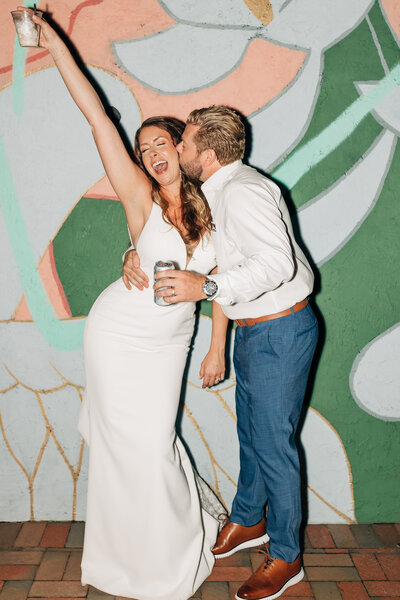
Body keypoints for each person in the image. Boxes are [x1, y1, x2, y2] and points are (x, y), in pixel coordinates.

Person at [31, 12, 229, 600]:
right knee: (124, 449)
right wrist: (57, 45)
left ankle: (169, 546)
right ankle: (125, 559)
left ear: (181, 147)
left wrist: (218, 344)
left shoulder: (220, 203)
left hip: (169, 342)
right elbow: (97, 119)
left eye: (159, 144)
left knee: (151, 444)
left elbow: (228, 280)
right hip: (117, 332)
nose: (149, 154)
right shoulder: (140, 199)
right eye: (142, 149)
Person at [125, 105, 319, 600]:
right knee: (252, 434)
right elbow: (206, 252)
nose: (177, 148)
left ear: (206, 155)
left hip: (280, 330)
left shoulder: (245, 192)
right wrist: (136, 254)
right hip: (257, 330)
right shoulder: (218, 192)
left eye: (183, 143)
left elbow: (276, 263)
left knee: (274, 445)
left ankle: (287, 556)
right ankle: (248, 520)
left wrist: (206, 285)